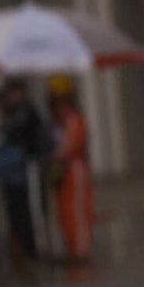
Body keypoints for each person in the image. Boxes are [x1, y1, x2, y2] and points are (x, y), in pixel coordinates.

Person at [0, 77, 50, 263]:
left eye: (13, 93)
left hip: (25, 169)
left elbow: (23, 135)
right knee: (15, 211)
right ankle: (21, 248)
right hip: (10, 174)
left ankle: (33, 249)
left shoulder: (26, 114)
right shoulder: (10, 116)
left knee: (29, 210)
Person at [47, 74, 93, 264]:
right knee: (65, 212)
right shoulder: (57, 121)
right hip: (62, 171)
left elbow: (70, 146)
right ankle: (72, 248)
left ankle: (81, 251)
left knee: (77, 211)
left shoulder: (74, 119)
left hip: (74, 169)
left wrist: (56, 156)